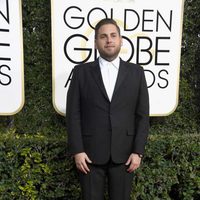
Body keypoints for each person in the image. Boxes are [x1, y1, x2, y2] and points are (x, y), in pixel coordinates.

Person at [66, 18, 149, 200]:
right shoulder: (81, 72)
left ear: (121, 40)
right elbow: (73, 114)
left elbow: (142, 116)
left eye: (113, 35)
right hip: (89, 156)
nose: (109, 40)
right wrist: (77, 150)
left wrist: (138, 151)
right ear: (96, 43)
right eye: (103, 36)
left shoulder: (137, 72)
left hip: (125, 155)